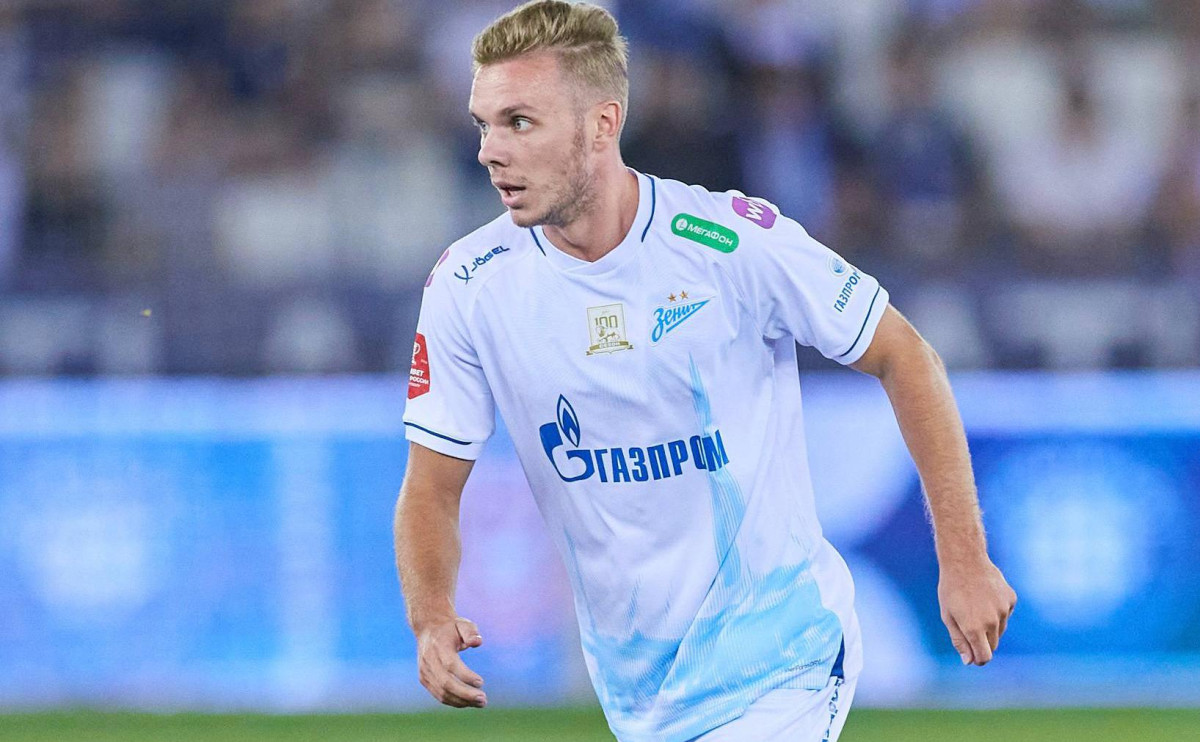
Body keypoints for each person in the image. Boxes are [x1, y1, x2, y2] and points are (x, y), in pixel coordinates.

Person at [394, 2, 1016, 741]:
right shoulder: (469, 284)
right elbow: (431, 486)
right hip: (641, 694)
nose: (490, 152)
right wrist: (431, 618)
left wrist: (964, 558)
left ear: (602, 123)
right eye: (483, 125)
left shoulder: (725, 242)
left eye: (519, 122)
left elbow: (905, 355)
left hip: (783, 657)